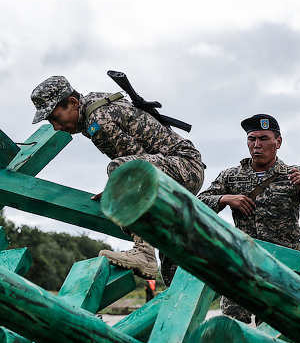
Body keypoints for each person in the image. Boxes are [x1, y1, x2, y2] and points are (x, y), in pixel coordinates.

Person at [30, 75, 205, 280]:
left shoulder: (98, 119)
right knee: (171, 268)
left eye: (56, 118)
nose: (56, 127)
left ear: (73, 103)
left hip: (185, 166)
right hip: (174, 169)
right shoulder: (93, 106)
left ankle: (144, 252)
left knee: (119, 169)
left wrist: (120, 186)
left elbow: (134, 170)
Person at [198, 113, 300, 322]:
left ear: (278, 142)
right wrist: (225, 199)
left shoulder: (294, 174)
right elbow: (198, 203)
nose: (257, 145)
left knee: (277, 328)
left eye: (263, 138)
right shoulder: (231, 175)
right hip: (243, 263)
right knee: (231, 325)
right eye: (252, 139)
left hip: (283, 266)